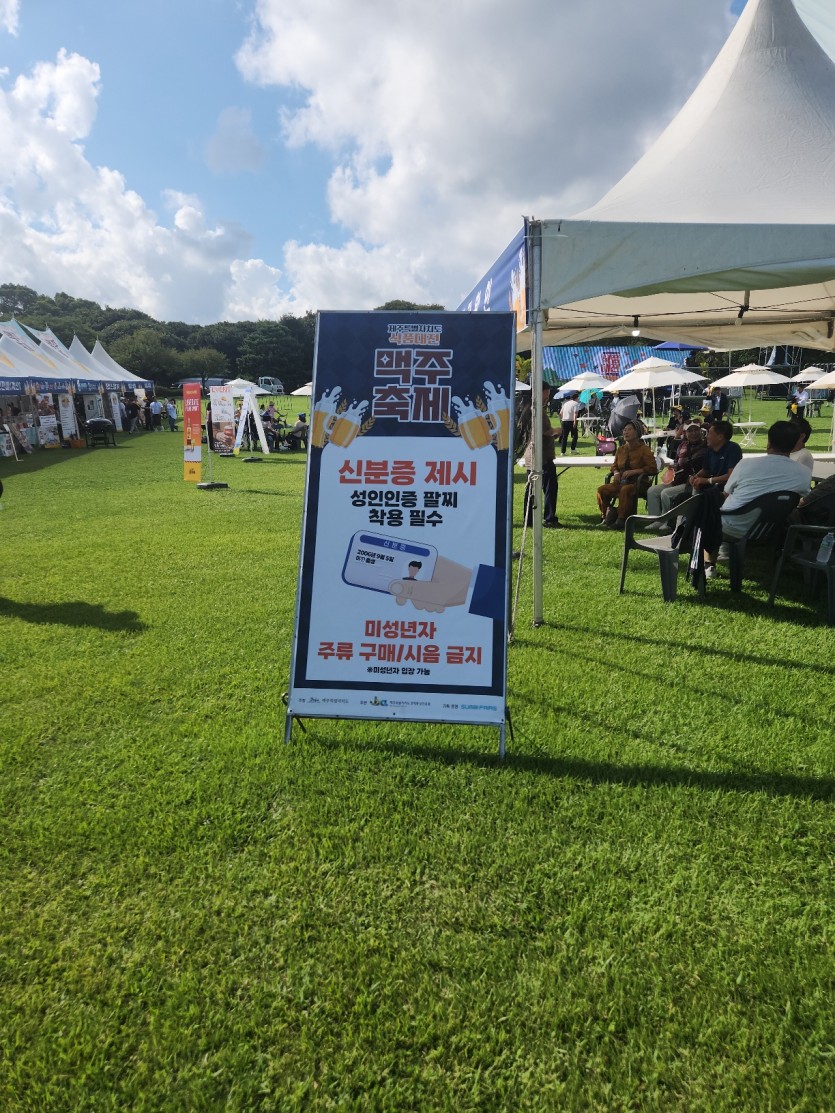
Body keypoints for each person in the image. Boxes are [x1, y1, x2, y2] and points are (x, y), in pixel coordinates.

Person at [703, 420, 811, 578]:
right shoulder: (804, 473)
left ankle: (708, 565)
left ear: (769, 442)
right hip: (770, 529)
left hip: (733, 525)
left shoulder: (746, 464)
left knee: (707, 512)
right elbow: (802, 500)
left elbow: (725, 494)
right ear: (795, 443)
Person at [596, 420, 657, 529]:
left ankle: (621, 519)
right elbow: (614, 466)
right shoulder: (621, 449)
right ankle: (606, 517)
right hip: (620, 482)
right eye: (624, 430)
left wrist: (635, 471)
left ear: (637, 433)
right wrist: (616, 473)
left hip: (638, 483)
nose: (626, 432)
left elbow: (653, 468)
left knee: (625, 490)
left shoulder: (644, 449)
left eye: (629, 430)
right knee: (602, 490)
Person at [645, 421, 707, 520]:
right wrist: (673, 467)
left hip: (691, 483)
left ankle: (666, 521)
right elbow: (677, 462)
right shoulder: (682, 446)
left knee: (666, 493)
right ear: (685, 433)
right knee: (652, 491)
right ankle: (654, 519)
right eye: (690, 431)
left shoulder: (705, 446)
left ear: (701, 431)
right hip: (677, 480)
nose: (694, 433)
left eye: (696, 430)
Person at [522, 383, 560, 528]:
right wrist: (558, 430)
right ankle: (549, 518)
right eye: (547, 393)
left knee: (531, 489)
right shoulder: (537, 410)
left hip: (532, 455)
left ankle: (529, 519)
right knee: (549, 488)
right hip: (541, 457)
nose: (548, 397)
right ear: (539, 392)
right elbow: (545, 431)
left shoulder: (528, 408)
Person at [688, 420, 743, 494]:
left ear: (720, 437)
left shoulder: (733, 449)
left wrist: (707, 481)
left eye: (709, 433)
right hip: (712, 488)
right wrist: (695, 477)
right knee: (681, 497)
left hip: (726, 491)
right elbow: (706, 470)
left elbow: (731, 475)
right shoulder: (710, 449)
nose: (707, 436)